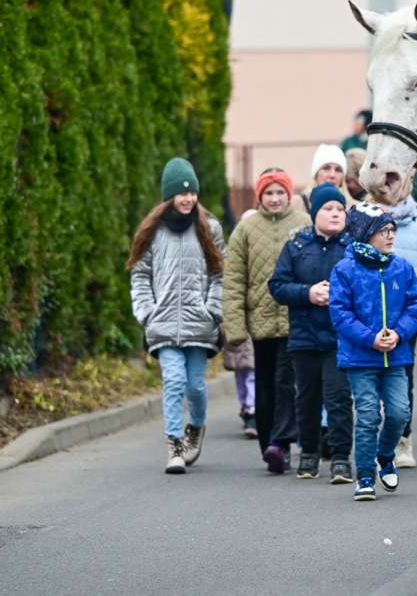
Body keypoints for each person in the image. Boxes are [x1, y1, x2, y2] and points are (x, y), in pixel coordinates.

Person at [128, 157, 226, 474]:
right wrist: (146, 312)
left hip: (200, 324)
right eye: (181, 193)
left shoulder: (210, 228)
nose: (188, 199)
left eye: (192, 193)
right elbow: (140, 275)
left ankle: (195, 427)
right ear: (169, 195)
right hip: (163, 324)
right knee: (173, 380)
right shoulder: (152, 230)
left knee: (195, 386)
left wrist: (213, 309)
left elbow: (220, 275)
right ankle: (174, 445)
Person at [329, 202, 417, 501]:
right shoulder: (345, 270)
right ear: (364, 234)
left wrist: (399, 333)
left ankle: (385, 456)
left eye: (392, 229)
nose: (390, 236)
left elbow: (415, 304)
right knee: (368, 415)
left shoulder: (402, 267)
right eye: (383, 230)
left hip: (396, 356)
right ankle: (366, 477)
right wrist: (371, 339)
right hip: (361, 358)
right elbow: (340, 313)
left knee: (399, 413)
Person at [268, 183, 356, 483]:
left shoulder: (353, 248)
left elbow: (366, 286)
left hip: (340, 338)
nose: (335, 214)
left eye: (340, 209)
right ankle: (308, 454)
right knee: (306, 399)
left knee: (339, 398)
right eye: (328, 209)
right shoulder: (296, 245)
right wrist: (308, 293)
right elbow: (277, 286)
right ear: (314, 213)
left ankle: (342, 458)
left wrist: (340, 296)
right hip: (304, 337)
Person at [223, 168, 312, 456]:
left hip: (295, 319)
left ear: (289, 195)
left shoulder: (304, 224)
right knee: (265, 383)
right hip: (260, 320)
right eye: (269, 193)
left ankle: (282, 442)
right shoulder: (246, 230)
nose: (275, 199)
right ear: (260, 196)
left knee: (287, 381)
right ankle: (268, 443)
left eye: (280, 192)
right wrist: (234, 326)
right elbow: (234, 280)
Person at [382, 193, 417, 468]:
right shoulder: (364, 216)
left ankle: (403, 440)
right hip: (371, 315)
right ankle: (374, 440)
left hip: (406, 317)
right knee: (369, 376)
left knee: (403, 375)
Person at [292, 144, 351, 215]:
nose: (332, 175)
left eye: (338, 170)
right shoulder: (298, 204)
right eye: (326, 168)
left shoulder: (354, 207)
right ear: (316, 174)